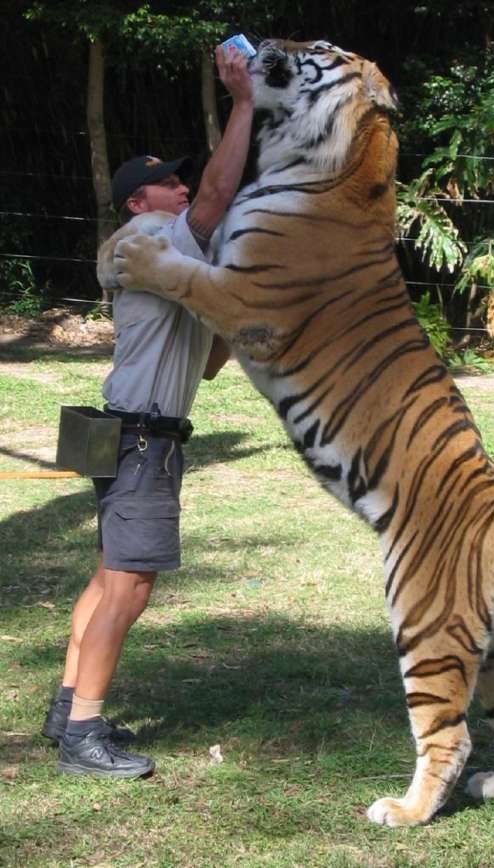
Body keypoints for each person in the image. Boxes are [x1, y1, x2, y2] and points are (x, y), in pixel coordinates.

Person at [41, 43, 254, 779]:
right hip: (140, 440)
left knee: (108, 576)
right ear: (140, 201)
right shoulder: (151, 237)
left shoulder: (168, 264)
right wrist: (246, 103)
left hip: (122, 431)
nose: (181, 191)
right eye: (168, 186)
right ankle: (85, 738)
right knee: (128, 587)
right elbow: (218, 200)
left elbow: (209, 363)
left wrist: (228, 315)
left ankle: (70, 709)